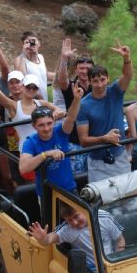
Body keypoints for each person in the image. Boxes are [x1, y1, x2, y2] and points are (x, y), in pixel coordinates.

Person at [76, 41, 133, 183]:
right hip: (97, 162)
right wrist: (104, 138)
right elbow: (83, 140)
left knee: (126, 195)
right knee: (101, 200)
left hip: (120, 156)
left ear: (107, 79)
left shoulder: (115, 92)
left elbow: (127, 76)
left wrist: (126, 59)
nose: (100, 84)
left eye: (102, 79)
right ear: (89, 82)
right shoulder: (83, 105)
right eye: (95, 81)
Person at [0, 59, 64, 153]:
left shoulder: (41, 103)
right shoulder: (13, 105)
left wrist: (56, 113)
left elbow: (61, 111)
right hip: (25, 150)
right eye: (29, 87)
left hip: (43, 147)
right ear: (24, 86)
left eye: (34, 88)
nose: (31, 90)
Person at [19, 83, 83, 198]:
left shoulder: (60, 132)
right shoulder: (30, 142)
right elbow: (24, 168)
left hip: (70, 190)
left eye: (49, 123)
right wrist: (46, 155)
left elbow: (71, 117)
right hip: (47, 195)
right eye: (41, 125)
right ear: (34, 126)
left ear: (54, 122)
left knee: (81, 216)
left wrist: (77, 99)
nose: (47, 128)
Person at [28, 202, 125, 273]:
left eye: (77, 216)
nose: (75, 223)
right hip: (88, 271)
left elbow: (120, 240)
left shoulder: (104, 218)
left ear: (86, 210)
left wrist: (117, 261)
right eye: (69, 220)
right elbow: (48, 240)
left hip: (111, 264)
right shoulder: (67, 229)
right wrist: (42, 238)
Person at [56, 38, 94, 175]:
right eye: (81, 68)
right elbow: (62, 80)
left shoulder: (98, 88)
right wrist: (64, 58)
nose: (84, 71)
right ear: (76, 70)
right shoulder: (72, 86)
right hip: (74, 143)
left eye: (88, 68)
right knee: (76, 177)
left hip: (94, 142)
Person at [14, 31, 54, 101]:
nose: (31, 44)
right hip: (31, 100)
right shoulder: (20, 59)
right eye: (28, 42)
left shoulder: (41, 57)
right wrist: (24, 54)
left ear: (39, 43)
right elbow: (20, 78)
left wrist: (63, 75)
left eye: (33, 41)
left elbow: (45, 75)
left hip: (44, 100)